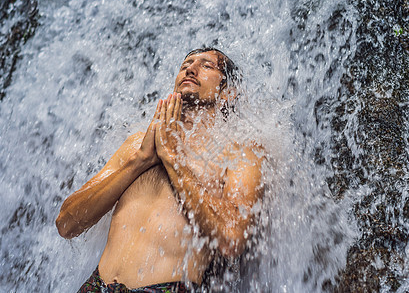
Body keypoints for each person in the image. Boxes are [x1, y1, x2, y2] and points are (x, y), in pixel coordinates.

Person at [56, 48, 265, 292]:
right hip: (96, 287)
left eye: (206, 65)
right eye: (186, 63)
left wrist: (173, 159)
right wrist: (139, 162)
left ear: (228, 93)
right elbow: (66, 224)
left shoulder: (239, 155)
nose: (191, 68)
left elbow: (232, 239)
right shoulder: (137, 144)